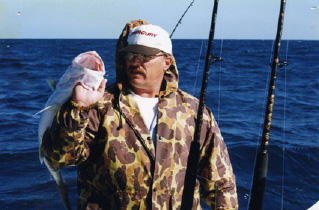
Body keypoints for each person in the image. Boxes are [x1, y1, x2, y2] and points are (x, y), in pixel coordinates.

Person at [41, 19, 238, 210]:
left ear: (166, 62)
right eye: (131, 55)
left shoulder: (194, 111)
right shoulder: (98, 105)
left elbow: (221, 184)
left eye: (144, 56)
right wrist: (78, 107)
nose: (135, 62)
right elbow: (59, 159)